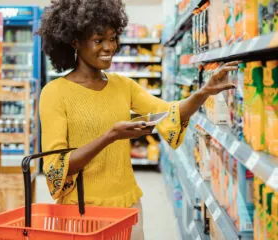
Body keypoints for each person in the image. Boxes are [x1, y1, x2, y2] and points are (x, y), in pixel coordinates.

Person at [38, 0, 239, 239]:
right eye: (99, 40)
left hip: (128, 206)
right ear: (75, 42)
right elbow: (55, 167)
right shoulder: (54, 93)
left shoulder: (123, 85)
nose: (109, 47)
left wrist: (203, 93)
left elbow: (169, 113)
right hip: (81, 210)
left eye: (113, 38)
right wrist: (110, 136)